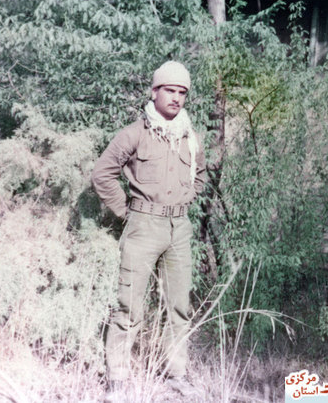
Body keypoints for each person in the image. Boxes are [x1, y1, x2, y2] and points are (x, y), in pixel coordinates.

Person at [91, 60, 206, 400]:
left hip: (179, 229)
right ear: (154, 92)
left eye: (182, 92)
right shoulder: (135, 133)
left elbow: (200, 176)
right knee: (129, 306)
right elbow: (102, 174)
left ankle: (176, 374)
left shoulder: (190, 137)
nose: (176, 98)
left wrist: (186, 198)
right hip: (143, 226)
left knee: (179, 307)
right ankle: (117, 379)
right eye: (169, 90)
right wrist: (126, 212)